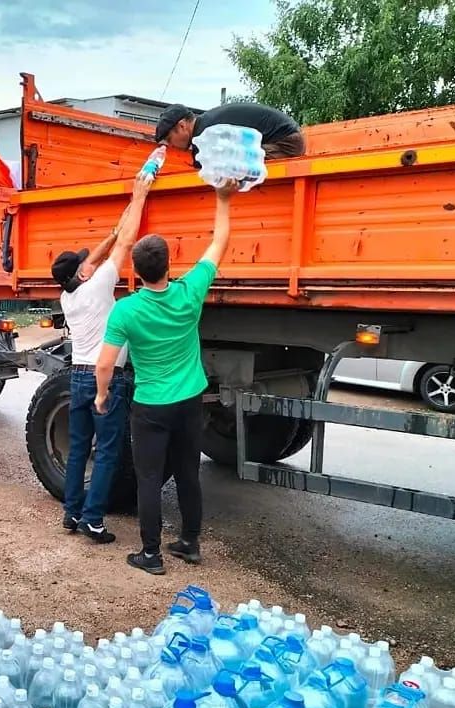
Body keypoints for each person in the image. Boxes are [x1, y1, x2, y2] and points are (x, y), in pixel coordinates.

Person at [93, 178, 239, 575]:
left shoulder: (126, 311)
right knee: (188, 472)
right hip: (190, 400)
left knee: (150, 478)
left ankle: (151, 554)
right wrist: (222, 198)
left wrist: (101, 396)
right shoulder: (190, 292)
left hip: (151, 406)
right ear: (169, 265)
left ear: (136, 271)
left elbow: (105, 364)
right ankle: (190, 543)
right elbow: (219, 242)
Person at [51, 174, 154, 543]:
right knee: (108, 452)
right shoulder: (98, 285)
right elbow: (128, 243)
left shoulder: (69, 295)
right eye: (83, 264)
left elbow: (100, 253)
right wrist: (139, 197)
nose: (89, 262)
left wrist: (111, 231)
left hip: (77, 375)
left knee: (80, 449)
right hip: (104, 378)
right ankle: (93, 521)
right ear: (82, 274)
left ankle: (71, 513)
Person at [155, 102, 305, 164]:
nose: (170, 145)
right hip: (287, 137)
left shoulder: (205, 135)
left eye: (169, 139)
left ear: (182, 126)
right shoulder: (206, 123)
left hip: (285, 144)